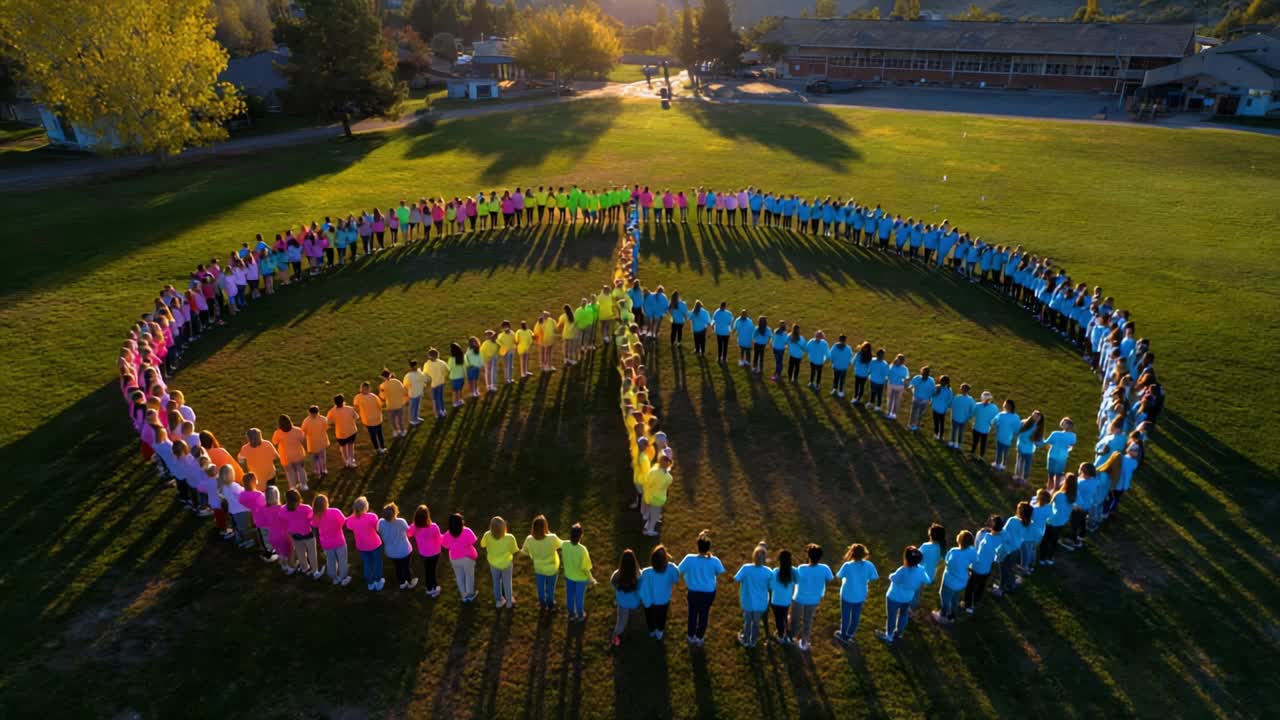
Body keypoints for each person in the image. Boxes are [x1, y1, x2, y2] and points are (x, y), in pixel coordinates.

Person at [678, 531, 724, 646]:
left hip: (693, 592)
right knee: (704, 614)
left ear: (697, 546)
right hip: (708, 593)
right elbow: (719, 571)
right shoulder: (714, 560)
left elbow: (679, 570)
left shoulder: (689, 559)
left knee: (692, 614)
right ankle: (699, 637)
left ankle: (690, 635)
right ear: (709, 547)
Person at [878, 546, 927, 644]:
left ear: (906, 559)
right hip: (908, 598)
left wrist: (890, 575)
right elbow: (927, 580)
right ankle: (899, 633)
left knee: (892, 616)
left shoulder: (903, 570)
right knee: (903, 615)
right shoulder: (921, 570)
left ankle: (889, 636)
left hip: (893, 597)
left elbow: (893, 578)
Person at [790, 543, 833, 651]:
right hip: (814, 599)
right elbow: (830, 579)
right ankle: (804, 643)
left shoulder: (801, 568)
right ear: (820, 557)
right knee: (807, 621)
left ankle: (791, 637)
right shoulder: (825, 568)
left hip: (799, 598)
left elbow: (796, 580)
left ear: (808, 556)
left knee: (795, 619)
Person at [834, 543, 877, 644]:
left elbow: (839, 576)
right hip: (861, 595)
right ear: (864, 554)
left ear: (851, 553)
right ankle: (850, 634)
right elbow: (874, 577)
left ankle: (843, 634)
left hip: (847, 595)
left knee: (845, 616)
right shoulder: (869, 565)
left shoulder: (847, 565)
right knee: (856, 616)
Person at [733, 542, 773, 648]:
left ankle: (745, 639)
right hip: (761, 603)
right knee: (756, 623)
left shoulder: (746, 568)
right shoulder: (768, 572)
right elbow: (771, 586)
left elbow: (736, 579)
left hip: (747, 601)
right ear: (764, 559)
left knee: (747, 621)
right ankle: (753, 641)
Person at [521, 514, 564, 611]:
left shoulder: (529, 539)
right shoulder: (552, 538)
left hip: (539, 569)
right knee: (550, 588)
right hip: (552, 569)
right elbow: (562, 544)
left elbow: (523, 551)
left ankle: (542, 603)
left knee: (541, 588)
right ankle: (550, 603)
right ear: (545, 526)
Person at [933, 530, 975, 624]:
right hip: (962, 581)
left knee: (944, 597)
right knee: (955, 598)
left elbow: (948, 563)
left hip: (949, 581)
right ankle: (952, 615)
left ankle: (943, 615)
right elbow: (974, 560)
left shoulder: (954, 552)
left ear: (959, 540)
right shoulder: (972, 551)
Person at [640, 544, 680, 640]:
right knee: (661, 617)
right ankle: (659, 632)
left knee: (649, 616)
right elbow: (675, 579)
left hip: (649, 601)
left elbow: (641, 585)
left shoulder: (645, 572)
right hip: (663, 600)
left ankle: (652, 630)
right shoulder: (671, 568)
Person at [965, 516, 1002, 614]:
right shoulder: (999, 537)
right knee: (981, 584)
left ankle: (968, 605)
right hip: (987, 567)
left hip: (977, 566)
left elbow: (976, 549)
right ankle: (977, 599)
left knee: (970, 586)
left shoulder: (982, 535)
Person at [346, 496, 384, 591]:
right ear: (366, 507)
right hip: (375, 544)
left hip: (362, 546)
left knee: (367, 564)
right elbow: (377, 527)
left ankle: (370, 583)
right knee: (377, 563)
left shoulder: (351, 519)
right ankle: (378, 581)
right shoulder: (372, 516)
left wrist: (353, 514)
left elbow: (349, 526)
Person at [312, 493, 351, 585]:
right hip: (339, 541)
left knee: (330, 560)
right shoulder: (335, 512)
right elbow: (344, 521)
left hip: (326, 544)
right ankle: (343, 576)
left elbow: (314, 524)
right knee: (342, 559)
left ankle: (333, 577)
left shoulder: (315, 516)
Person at [481, 516, 519, 608]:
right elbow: (515, 550)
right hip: (507, 564)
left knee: (496, 582)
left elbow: (482, 545)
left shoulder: (487, 535)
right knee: (507, 582)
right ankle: (509, 601)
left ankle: (499, 601)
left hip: (493, 564)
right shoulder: (510, 538)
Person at [561, 523, 596, 622]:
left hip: (569, 576)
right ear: (581, 536)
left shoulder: (564, 545)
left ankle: (571, 614)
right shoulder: (582, 550)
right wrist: (591, 579)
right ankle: (580, 615)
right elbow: (586, 568)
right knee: (579, 598)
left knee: (570, 596)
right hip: (580, 579)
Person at [440, 513, 479, 601]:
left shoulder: (447, 534)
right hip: (468, 558)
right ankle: (470, 594)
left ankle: (464, 596)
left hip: (454, 559)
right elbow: (473, 541)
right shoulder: (467, 531)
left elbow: (445, 545)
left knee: (459, 576)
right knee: (469, 576)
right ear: (461, 522)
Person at [379, 502, 416, 590]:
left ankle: (402, 583)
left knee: (398, 567)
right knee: (406, 567)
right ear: (395, 512)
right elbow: (409, 533)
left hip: (391, 552)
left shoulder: (380, 523)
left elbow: (379, 531)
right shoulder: (401, 521)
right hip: (405, 551)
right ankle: (410, 582)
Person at [611, 549, 643, 647]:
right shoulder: (639, 574)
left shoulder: (617, 574)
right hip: (634, 603)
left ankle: (615, 640)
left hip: (622, 603)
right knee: (633, 621)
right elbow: (641, 590)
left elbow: (612, 583)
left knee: (620, 623)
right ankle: (630, 635)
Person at [283, 489, 318, 577]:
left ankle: (305, 568)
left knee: (300, 553)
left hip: (296, 535)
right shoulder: (306, 508)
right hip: (308, 534)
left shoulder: (284, 510)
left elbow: (282, 517)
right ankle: (314, 570)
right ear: (299, 498)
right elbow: (313, 519)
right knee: (312, 553)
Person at [410, 505, 442, 597]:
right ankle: (434, 588)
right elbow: (440, 540)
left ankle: (429, 588)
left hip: (424, 553)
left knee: (428, 569)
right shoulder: (434, 527)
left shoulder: (414, 527)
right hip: (435, 553)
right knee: (432, 570)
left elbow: (408, 534)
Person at [768, 548, 797, 644]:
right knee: (784, 617)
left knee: (778, 619)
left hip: (775, 600)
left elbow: (771, 586)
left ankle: (780, 635)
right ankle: (787, 634)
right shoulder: (793, 572)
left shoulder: (775, 572)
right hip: (787, 601)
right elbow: (798, 581)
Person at [642, 455, 673, 536]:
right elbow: (667, 482)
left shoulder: (653, 471)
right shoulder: (667, 477)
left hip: (651, 497)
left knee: (652, 512)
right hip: (657, 499)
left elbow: (647, 484)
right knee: (655, 516)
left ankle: (646, 527)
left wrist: (647, 498)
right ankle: (650, 530)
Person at [326, 394, 359, 469]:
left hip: (340, 433)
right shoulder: (349, 409)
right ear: (343, 401)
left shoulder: (332, 411)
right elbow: (356, 417)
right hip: (351, 431)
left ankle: (346, 460)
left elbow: (328, 422)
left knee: (343, 447)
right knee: (351, 446)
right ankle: (351, 460)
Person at [1013, 410, 1045, 486]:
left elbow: (1039, 442)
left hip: (1028, 450)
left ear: (1040, 419)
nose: (1036, 418)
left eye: (1038, 417)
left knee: (1025, 464)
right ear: (1032, 415)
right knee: (1020, 462)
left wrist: (1036, 441)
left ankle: (1023, 478)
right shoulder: (1024, 423)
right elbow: (1017, 432)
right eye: (1035, 416)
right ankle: (1019, 476)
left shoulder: (1038, 428)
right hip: (1021, 447)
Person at [1044, 417, 1077, 489]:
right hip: (1053, 456)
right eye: (1063, 423)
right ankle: (1050, 488)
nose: (1063, 424)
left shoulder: (1072, 436)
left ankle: (1054, 489)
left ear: (1070, 425)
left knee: (1058, 475)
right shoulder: (1055, 433)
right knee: (1051, 475)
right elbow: (1047, 442)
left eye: (1065, 423)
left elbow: (1071, 446)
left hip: (1060, 457)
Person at [353, 382, 386, 453]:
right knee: (379, 434)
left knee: (372, 435)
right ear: (369, 389)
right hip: (377, 419)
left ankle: (377, 448)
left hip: (367, 421)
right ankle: (382, 447)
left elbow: (356, 406)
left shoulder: (358, 397)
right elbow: (380, 406)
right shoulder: (374, 396)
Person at [992, 399, 1022, 471]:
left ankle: (1001, 464)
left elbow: (994, 422)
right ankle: (999, 463)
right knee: (1001, 451)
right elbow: (994, 421)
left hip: (1004, 437)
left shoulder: (1012, 416)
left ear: (1010, 407)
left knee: (1003, 451)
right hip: (1003, 437)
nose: (1004, 406)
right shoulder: (1003, 415)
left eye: (1006, 405)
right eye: (1005, 404)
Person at [300, 405, 329, 479]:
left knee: (316, 458)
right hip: (322, 441)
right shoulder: (323, 419)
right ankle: (323, 469)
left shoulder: (306, 421)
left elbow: (303, 431)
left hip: (312, 443)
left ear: (309, 412)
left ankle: (318, 471)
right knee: (322, 456)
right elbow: (326, 427)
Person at [908, 365, 935, 432]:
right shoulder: (917, 378)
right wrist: (911, 387)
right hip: (917, 398)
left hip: (923, 400)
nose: (925, 374)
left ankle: (915, 425)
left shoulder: (931, 381)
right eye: (924, 373)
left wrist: (931, 400)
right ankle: (912, 424)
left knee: (919, 413)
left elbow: (932, 391)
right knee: (914, 412)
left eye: (926, 373)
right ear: (921, 372)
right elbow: (911, 385)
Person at [885, 354, 909, 420]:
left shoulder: (892, 366)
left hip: (895, 386)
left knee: (894, 400)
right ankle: (890, 412)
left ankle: (892, 413)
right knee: (892, 400)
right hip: (894, 385)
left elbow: (887, 375)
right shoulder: (904, 368)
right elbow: (906, 378)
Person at [404, 360, 428, 425]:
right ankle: (412, 420)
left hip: (417, 393)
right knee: (414, 407)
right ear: (414, 366)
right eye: (416, 365)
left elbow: (405, 384)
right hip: (414, 394)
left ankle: (416, 417)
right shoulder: (417, 374)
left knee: (417, 407)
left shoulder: (409, 375)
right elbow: (426, 379)